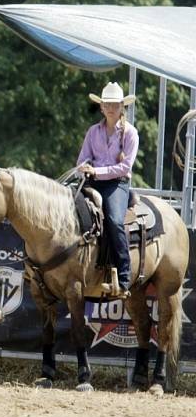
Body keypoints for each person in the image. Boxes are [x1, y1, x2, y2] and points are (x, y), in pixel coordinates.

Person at [77, 82, 139, 297]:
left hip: (117, 184)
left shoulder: (131, 133)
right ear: (101, 107)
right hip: (92, 181)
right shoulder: (93, 131)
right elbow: (83, 157)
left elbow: (124, 167)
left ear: (122, 106)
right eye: (106, 104)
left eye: (114, 104)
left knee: (113, 220)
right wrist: (84, 166)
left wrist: (97, 172)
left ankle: (123, 278)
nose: (110, 108)